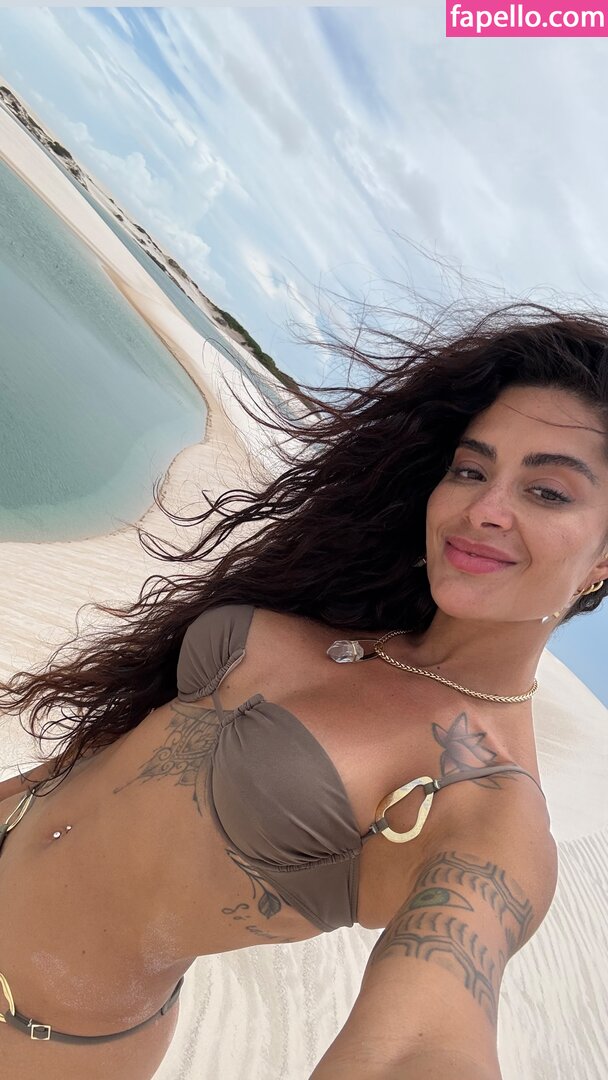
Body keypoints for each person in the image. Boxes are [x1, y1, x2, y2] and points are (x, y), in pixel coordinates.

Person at [0, 301, 607, 1080]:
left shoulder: (488, 804)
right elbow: (112, 762)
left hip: (35, 1040)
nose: (484, 509)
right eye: (471, 469)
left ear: (602, 560)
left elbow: (419, 1042)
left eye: (547, 492)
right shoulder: (348, 609)